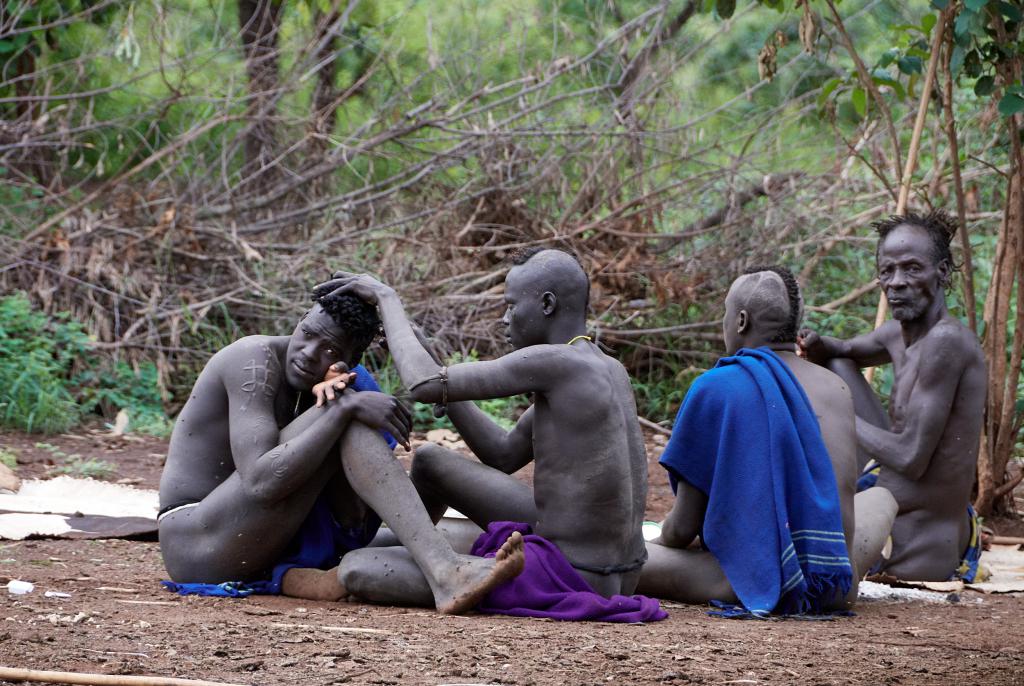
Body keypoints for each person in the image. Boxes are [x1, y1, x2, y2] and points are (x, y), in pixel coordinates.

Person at [314, 249, 664, 622]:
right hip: (620, 573)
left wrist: (387, 299)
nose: (504, 319)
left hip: (569, 576)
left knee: (357, 567)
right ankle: (422, 548)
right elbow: (502, 453)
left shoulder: (554, 362)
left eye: (512, 306)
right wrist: (437, 369)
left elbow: (424, 384)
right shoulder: (604, 368)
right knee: (431, 461)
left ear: (547, 304)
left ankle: (436, 569)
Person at [158, 288, 523, 614]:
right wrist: (344, 408)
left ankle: (454, 562)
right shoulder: (253, 359)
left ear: (350, 359)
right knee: (346, 415)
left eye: (329, 349)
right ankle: (444, 571)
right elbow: (259, 482)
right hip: (197, 540)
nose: (308, 353)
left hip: (264, 540)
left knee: (460, 536)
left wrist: (347, 400)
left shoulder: (346, 380)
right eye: (309, 334)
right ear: (301, 320)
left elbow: (352, 516)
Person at [638, 266, 897, 615]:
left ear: (741, 321)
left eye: (725, 314)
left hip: (757, 582)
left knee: (617, 556)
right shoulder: (837, 388)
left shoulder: (718, 384)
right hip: (834, 583)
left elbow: (681, 530)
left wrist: (650, 536)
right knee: (880, 498)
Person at [797, 210, 986, 582]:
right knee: (838, 363)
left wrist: (833, 415)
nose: (896, 282)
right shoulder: (896, 335)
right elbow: (841, 350)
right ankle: (846, 499)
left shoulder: (947, 341)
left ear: (943, 273)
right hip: (889, 504)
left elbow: (910, 458)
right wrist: (812, 344)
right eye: (888, 271)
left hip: (915, 543)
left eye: (913, 269)